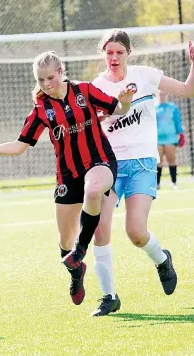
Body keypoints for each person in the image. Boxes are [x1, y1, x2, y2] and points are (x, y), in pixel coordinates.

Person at [0, 50, 134, 307]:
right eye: (41, 80)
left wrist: (126, 100)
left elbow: (120, 110)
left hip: (100, 161)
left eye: (51, 78)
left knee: (93, 191)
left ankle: (80, 251)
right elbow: (20, 145)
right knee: (64, 242)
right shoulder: (41, 109)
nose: (46, 84)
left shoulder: (86, 91)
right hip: (68, 175)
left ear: (61, 72)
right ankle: (76, 270)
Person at [71, 30, 193, 317]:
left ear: (128, 53)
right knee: (100, 229)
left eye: (119, 52)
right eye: (109, 52)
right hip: (109, 164)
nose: (114, 58)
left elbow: (187, 90)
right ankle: (109, 296)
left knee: (136, 233)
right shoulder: (95, 87)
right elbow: (87, 126)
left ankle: (162, 260)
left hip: (142, 163)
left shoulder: (146, 76)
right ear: (103, 54)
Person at [156, 90, 185, 190]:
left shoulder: (172, 107)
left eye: (163, 94)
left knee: (171, 160)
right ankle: (157, 184)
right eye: (160, 94)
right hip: (157, 139)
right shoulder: (154, 108)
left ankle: (174, 182)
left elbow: (177, 122)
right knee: (158, 162)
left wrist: (180, 134)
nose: (162, 96)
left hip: (170, 138)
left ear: (167, 95)